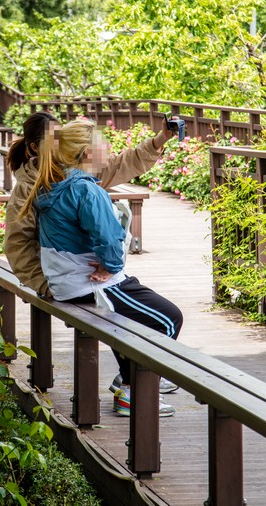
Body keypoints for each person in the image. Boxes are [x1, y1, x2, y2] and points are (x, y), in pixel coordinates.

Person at [16, 117, 184, 417]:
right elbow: (105, 235)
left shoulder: (55, 182)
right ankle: (136, 386)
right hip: (85, 281)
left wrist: (159, 140)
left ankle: (135, 378)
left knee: (128, 320)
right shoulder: (72, 186)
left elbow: (120, 165)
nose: (108, 149)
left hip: (71, 279)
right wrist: (49, 283)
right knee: (167, 320)